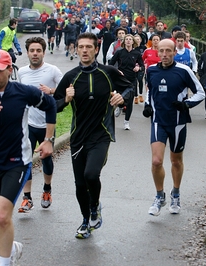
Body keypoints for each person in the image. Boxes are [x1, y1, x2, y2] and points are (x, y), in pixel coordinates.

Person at [0, 49, 56, 265]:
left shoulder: (23, 92)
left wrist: (48, 139)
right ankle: (12, 247)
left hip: (17, 163)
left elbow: (50, 105)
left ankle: (4, 263)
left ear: (9, 70)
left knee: (1, 216)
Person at [53, 32, 133, 239]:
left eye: (89, 47)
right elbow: (53, 105)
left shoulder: (109, 72)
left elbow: (129, 89)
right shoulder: (70, 77)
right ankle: (85, 220)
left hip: (101, 134)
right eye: (81, 47)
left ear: (96, 49)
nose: (85, 50)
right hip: (78, 137)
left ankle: (95, 206)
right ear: (76, 49)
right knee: (80, 184)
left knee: (91, 175)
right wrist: (66, 100)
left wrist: (120, 97)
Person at [143, 39, 205, 216]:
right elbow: (150, 92)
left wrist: (187, 104)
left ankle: (175, 193)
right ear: (157, 51)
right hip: (158, 121)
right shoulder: (152, 70)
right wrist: (148, 105)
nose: (164, 54)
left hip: (177, 123)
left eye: (168, 51)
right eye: (161, 51)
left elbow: (201, 92)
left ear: (174, 52)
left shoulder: (183, 71)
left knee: (176, 160)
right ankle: (159, 195)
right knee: (156, 161)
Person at [17, 37, 63, 213]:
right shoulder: (22, 72)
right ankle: (27, 198)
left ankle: (46, 190)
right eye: (32, 51)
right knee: (25, 161)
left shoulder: (52, 71)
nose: (35, 54)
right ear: (28, 52)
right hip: (27, 124)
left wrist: (51, 91)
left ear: (43, 52)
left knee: (46, 160)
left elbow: (66, 88)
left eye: (38, 51)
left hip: (46, 125)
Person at [109, 34, 144, 130]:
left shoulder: (137, 54)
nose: (128, 41)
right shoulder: (119, 52)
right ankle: (120, 106)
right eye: (126, 39)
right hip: (120, 80)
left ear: (133, 42)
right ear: (124, 42)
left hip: (131, 80)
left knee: (129, 102)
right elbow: (110, 65)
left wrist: (138, 68)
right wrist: (117, 71)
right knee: (121, 97)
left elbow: (142, 66)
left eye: (130, 39)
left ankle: (126, 122)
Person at [133, 34, 146, 103]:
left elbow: (146, 56)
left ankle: (140, 94)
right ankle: (135, 96)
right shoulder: (132, 48)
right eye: (135, 39)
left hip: (141, 66)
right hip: (133, 67)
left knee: (140, 79)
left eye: (138, 39)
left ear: (140, 40)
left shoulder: (144, 47)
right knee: (135, 81)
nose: (137, 41)